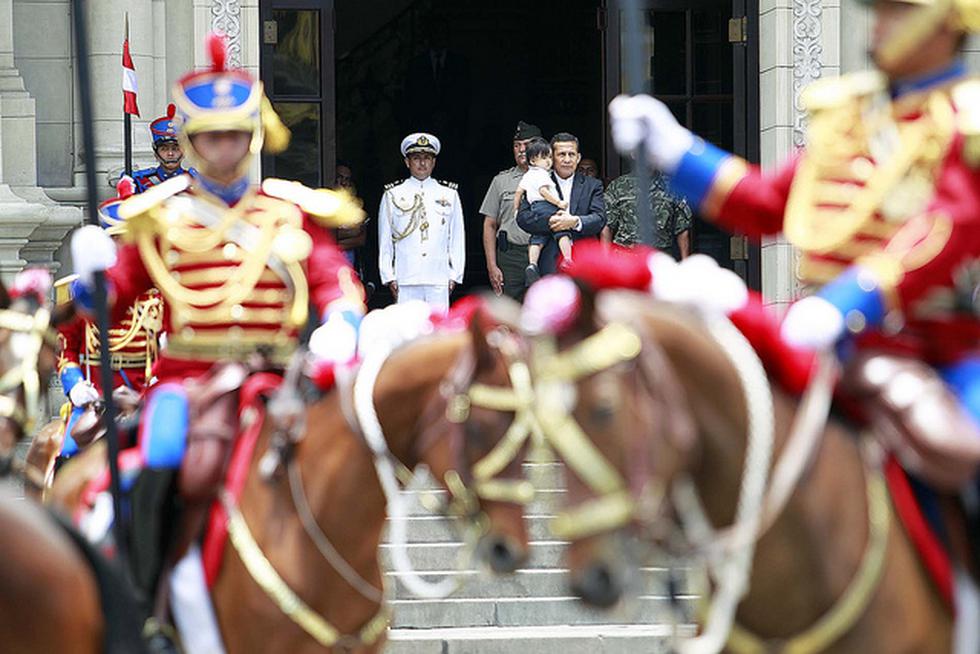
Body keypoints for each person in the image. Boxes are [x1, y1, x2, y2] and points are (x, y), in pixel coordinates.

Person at [69, 32, 366, 628]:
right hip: (187, 380)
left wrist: (343, 320)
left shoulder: (288, 210)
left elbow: (334, 278)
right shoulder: (161, 215)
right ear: (192, 140)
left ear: (251, 137)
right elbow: (118, 292)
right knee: (165, 455)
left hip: (276, 375)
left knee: (344, 455)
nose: (223, 147)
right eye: (210, 135)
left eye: (233, 134)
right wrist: (90, 286)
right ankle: (143, 602)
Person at [609, 0, 980, 462]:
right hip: (826, 341)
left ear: (944, 23)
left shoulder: (966, 121)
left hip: (933, 345)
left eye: (896, 14)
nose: (878, 26)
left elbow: (948, 230)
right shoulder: (852, 116)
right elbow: (769, 203)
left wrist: (847, 302)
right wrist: (679, 151)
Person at [55, 180, 163, 462]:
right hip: (96, 400)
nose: (122, 248)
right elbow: (66, 351)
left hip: (143, 397)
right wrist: (76, 386)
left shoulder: (160, 296)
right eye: (116, 240)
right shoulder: (83, 295)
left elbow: (171, 351)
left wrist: (152, 389)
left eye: (128, 240)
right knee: (67, 452)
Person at [378, 132, 465, 313]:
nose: (422, 163)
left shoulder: (449, 194)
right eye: (416, 158)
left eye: (427, 158)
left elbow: (456, 236)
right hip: (406, 275)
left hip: (438, 275)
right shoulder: (393, 194)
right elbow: (385, 239)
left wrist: (454, 274)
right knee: (408, 332)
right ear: (407, 162)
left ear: (434, 162)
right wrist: (389, 276)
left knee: (438, 333)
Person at [516, 132, 606, 275]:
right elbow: (523, 218)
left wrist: (574, 222)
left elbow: (600, 219)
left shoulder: (593, 185)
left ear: (578, 158)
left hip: (584, 262)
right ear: (552, 157)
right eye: (561, 154)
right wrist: (551, 221)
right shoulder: (537, 180)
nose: (567, 159)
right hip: (549, 262)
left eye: (571, 154)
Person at [480, 120, 541, 299]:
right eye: (517, 145)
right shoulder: (501, 181)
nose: (522, 149)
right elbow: (489, 225)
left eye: (527, 145)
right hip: (510, 257)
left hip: (542, 253)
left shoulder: (551, 178)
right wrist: (492, 266)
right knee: (508, 313)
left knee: (541, 312)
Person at [514, 137, 571, 285]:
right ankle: (568, 259)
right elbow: (544, 191)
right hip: (546, 207)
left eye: (550, 157)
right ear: (533, 160)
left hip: (534, 210)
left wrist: (515, 211)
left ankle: (532, 264)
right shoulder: (542, 174)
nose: (548, 161)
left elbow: (518, 193)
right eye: (545, 158)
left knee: (536, 239)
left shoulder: (527, 175)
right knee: (561, 231)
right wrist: (558, 202)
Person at [603, 170, 692, 258]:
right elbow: (607, 227)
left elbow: (683, 229)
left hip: (659, 257)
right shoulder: (618, 185)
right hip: (625, 256)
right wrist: (605, 263)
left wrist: (686, 262)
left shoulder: (673, 186)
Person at [129, 104, 190, 192]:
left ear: (184, 153)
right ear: (156, 155)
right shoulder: (140, 181)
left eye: (175, 149)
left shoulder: (196, 182)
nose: (170, 154)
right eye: (164, 149)